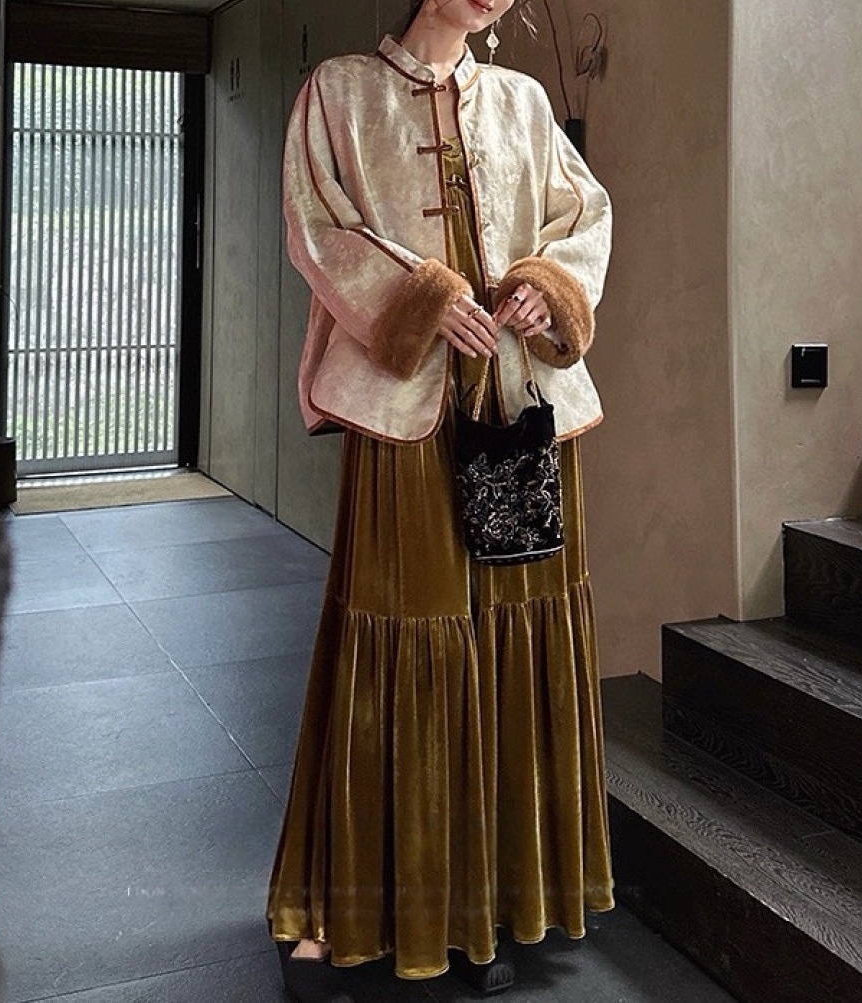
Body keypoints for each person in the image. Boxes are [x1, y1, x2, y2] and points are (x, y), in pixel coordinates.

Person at [267, 1, 615, 1000]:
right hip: (408, 412)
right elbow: (318, 226)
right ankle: (366, 906)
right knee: (407, 631)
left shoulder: (522, 100)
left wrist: (548, 286)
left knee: (517, 628)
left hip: (522, 407)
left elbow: (584, 215)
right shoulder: (339, 92)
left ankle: (498, 902)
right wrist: (425, 298)